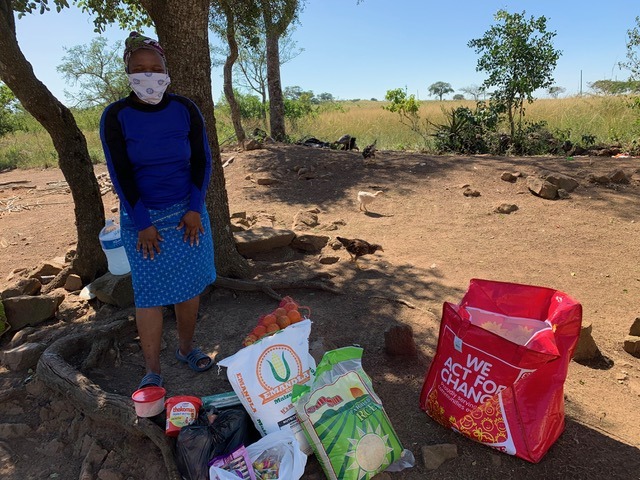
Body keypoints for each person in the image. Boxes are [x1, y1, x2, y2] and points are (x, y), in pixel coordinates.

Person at [100, 32, 216, 390]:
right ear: (128, 73)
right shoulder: (116, 116)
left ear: (166, 71)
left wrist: (195, 209)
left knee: (189, 287)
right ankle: (152, 371)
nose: (148, 76)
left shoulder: (185, 109)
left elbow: (202, 161)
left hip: (188, 214)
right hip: (142, 217)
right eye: (139, 69)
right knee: (148, 295)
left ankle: (186, 347)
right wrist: (143, 223)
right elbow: (119, 174)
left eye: (155, 68)